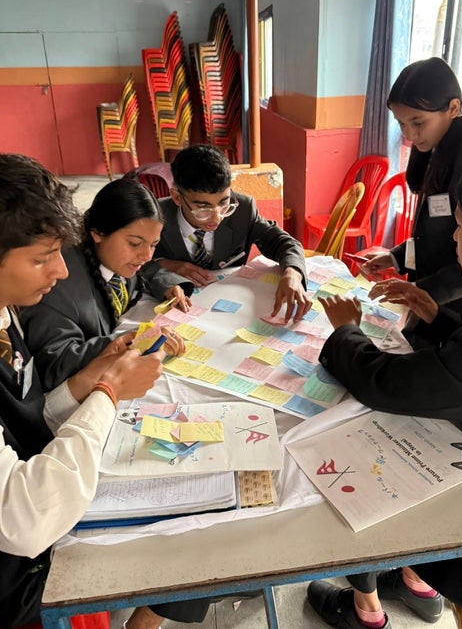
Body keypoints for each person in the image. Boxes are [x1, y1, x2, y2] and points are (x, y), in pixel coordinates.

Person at [307, 149, 462, 629]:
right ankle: (410, 582)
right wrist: (436, 316)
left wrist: (347, 331)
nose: (453, 237)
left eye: (460, 226)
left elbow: (389, 384)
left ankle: (375, 600)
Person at [0, 153, 172, 629]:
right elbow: (26, 518)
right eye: (42, 258)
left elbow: (30, 415)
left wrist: (92, 376)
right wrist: (107, 394)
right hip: (21, 575)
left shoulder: (7, 315)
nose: (61, 272)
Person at [21, 177, 193, 390]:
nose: (147, 255)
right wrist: (130, 340)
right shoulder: (57, 286)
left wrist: (168, 285)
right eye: (135, 243)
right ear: (98, 233)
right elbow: (54, 366)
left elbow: (147, 268)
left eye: (153, 245)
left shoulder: (117, 257)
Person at [361, 57, 462, 306]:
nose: (409, 134)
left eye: (418, 122)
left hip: (456, 305)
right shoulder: (435, 149)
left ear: (453, 108)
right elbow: (430, 235)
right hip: (427, 295)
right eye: (401, 123)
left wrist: (421, 291)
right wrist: (395, 258)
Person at [143, 144, 311, 322]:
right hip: (180, 312)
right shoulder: (154, 217)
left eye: (224, 203)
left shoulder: (243, 209)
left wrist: (292, 273)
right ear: (177, 197)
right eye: (203, 207)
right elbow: (136, 265)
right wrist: (165, 267)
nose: (217, 217)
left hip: (229, 311)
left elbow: (284, 243)